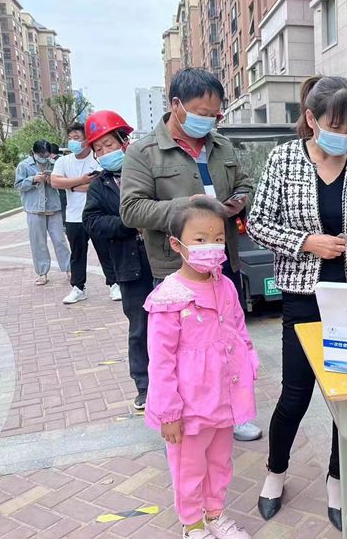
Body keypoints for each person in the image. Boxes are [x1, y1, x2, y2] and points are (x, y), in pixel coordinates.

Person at [246, 75, 347, 530]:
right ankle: (276, 472)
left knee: (343, 395)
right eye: (336, 125)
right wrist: (306, 242)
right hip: (302, 295)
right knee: (296, 392)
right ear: (311, 119)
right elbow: (258, 223)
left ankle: (336, 478)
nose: (344, 136)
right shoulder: (284, 160)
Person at [120, 67, 262, 443]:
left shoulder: (222, 146)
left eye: (216, 114)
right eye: (202, 111)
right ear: (176, 105)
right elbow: (132, 209)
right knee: (183, 352)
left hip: (221, 261)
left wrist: (238, 201)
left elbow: (243, 181)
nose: (210, 120)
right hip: (176, 270)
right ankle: (180, 416)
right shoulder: (144, 152)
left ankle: (235, 412)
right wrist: (190, 208)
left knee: (228, 340)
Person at [145, 199, 258, 539]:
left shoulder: (224, 284)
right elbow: (161, 362)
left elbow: (238, 329)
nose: (211, 246)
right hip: (188, 407)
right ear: (176, 244)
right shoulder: (169, 298)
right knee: (189, 468)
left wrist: (249, 364)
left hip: (223, 397)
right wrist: (169, 412)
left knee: (220, 462)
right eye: (199, 239)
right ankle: (192, 524)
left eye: (218, 238)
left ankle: (215, 515)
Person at [82, 111, 152, 410]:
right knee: (139, 328)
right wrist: (128, 224)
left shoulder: (147, 170)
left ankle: (176, 380)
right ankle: (145, 386)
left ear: (124, 142)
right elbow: (93, 222)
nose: (104, 153)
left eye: (109, 144)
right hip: (130, 265)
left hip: (161, 259)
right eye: (98, 149)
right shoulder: (100, 185)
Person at [51, 123, 121, 304]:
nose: (73, 142)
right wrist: (80, 181)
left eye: (77, 138)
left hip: (97, 215)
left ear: (86, 140)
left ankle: (114, 284)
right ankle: (78, 287)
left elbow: (97, 185)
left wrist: (70, 185)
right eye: (71, 138)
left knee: (105, 251)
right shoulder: (63, 161)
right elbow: (55, 182)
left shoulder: (97, 159)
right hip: (74, 216)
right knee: (77, 254)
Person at [14, 140, 71, 286]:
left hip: (54, 207)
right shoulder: (24, 165)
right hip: (34, 209)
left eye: (46, 154)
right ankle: (42, 272)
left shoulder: (54, 164)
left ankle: (69, 269)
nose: (44, 157)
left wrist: (51, 180)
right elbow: (18, 185)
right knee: (38, 242)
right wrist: (33, 179)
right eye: (41, 154)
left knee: (60, 240)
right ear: (34, 152)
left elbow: (63, 182)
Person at [49, 143, 67, 223]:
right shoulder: (64, 159)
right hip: (66, 188)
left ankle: (64, 222)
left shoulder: (57, 162)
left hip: (62, 189)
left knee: (63, 206)